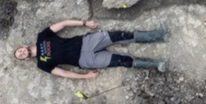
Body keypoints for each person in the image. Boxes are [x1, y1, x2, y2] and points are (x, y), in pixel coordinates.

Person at [14, 19, 167, 79]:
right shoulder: (42, 64)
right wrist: (85, 76)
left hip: (87, 42)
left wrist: (84, 23)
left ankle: (159, 35)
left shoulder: (42, 37)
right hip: (85, 60)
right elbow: (64, 73)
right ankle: (158, 64)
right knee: (122, 60)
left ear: (22, 46)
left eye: (19, 51)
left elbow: (64, 24)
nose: (21, 53)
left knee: (120, 35)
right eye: (20, 56)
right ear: (25, 58)